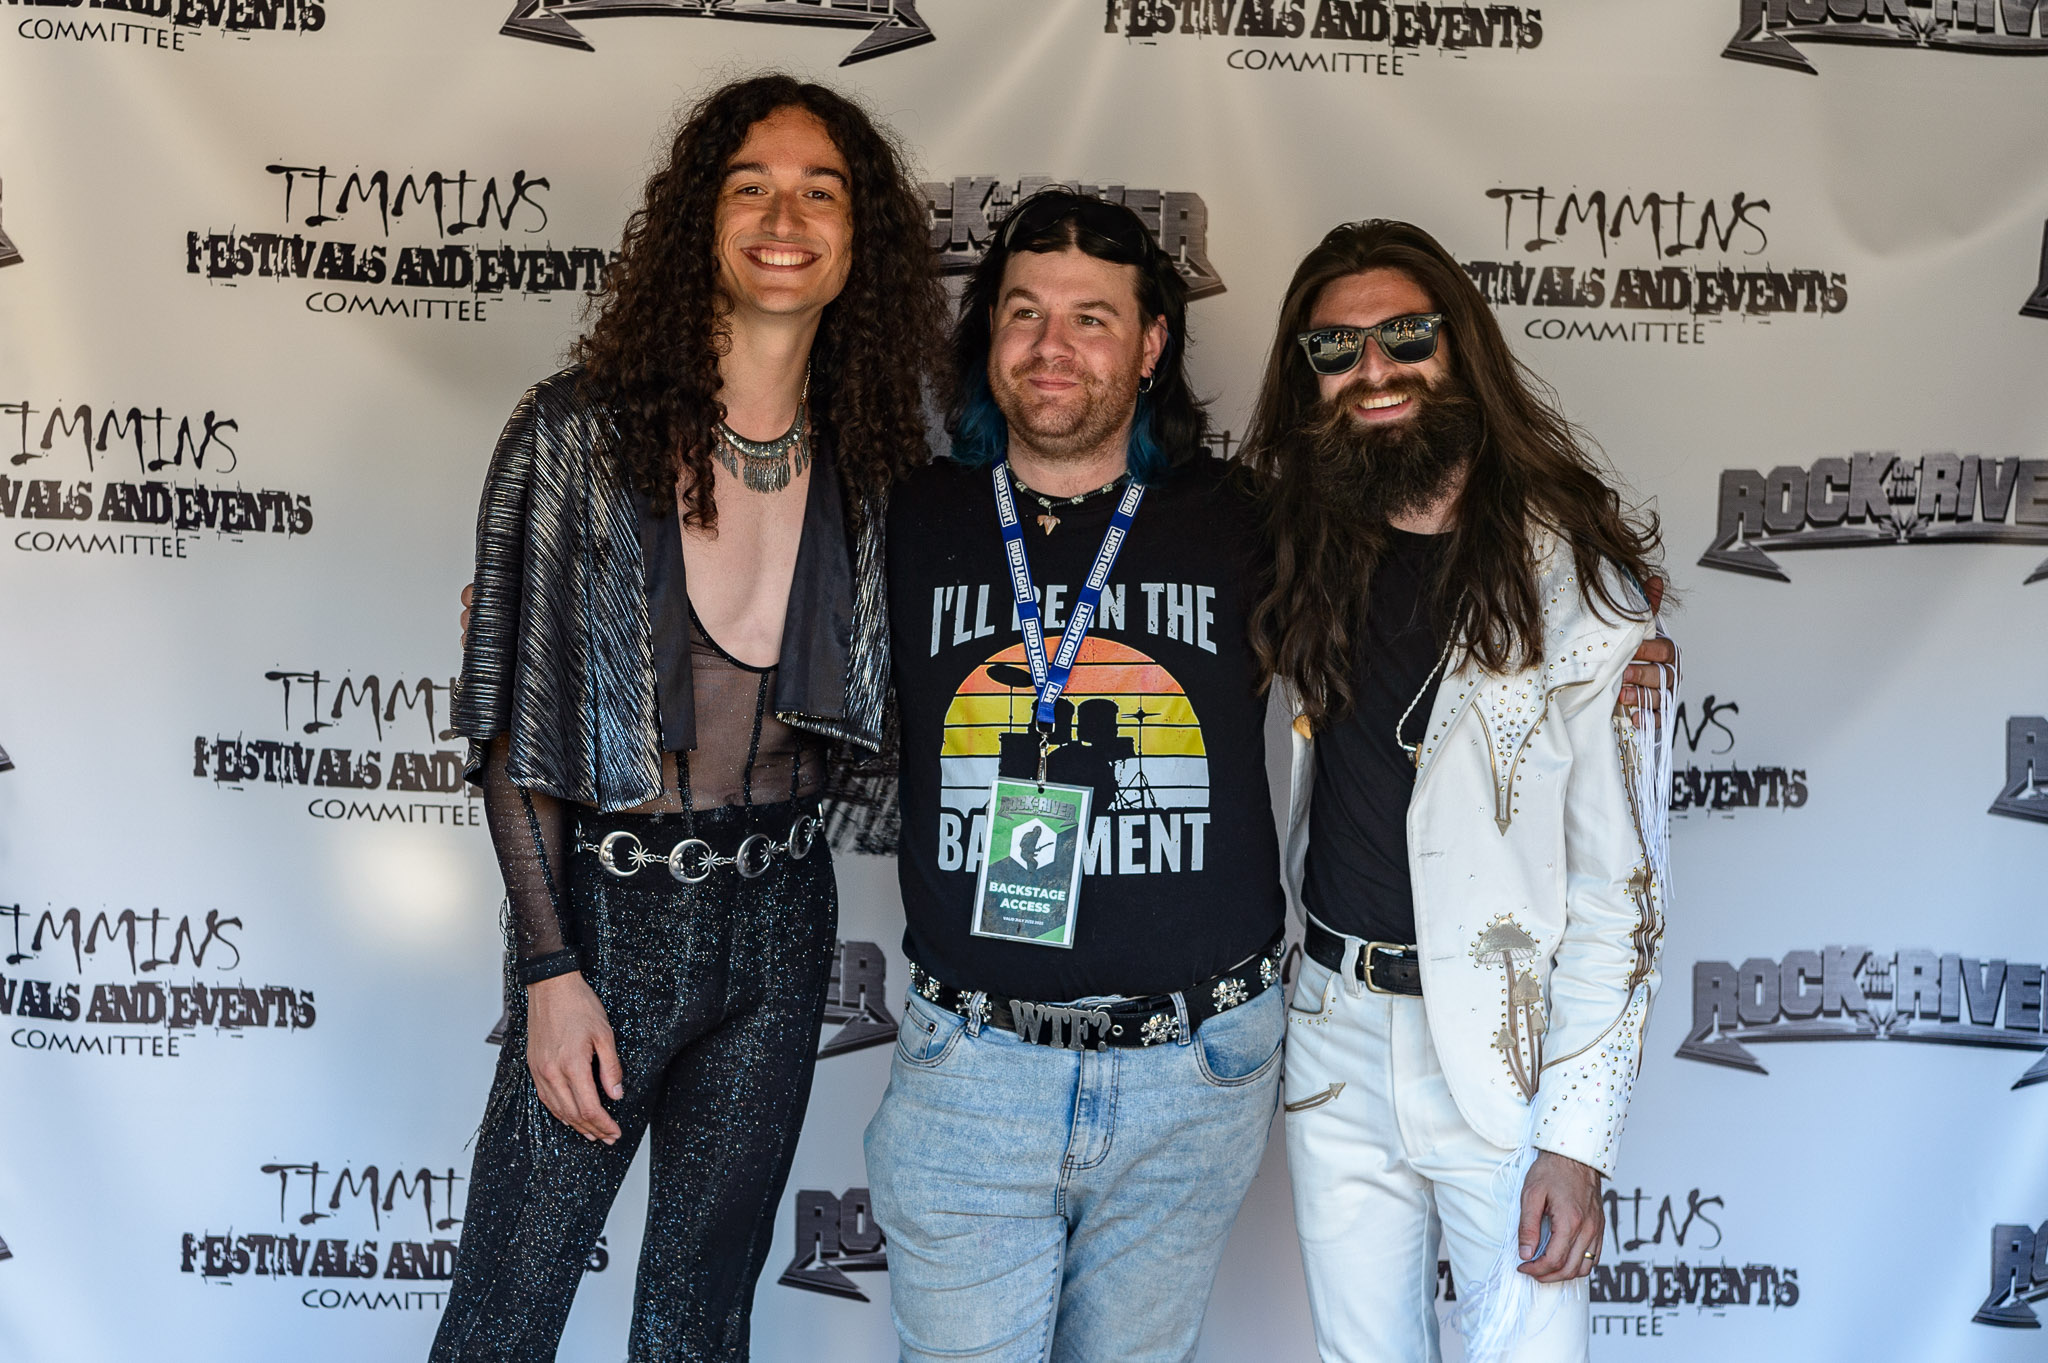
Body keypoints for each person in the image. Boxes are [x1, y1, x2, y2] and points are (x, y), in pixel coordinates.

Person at [435, 74, 943, 1361]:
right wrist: (549, 972)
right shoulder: (574, 436)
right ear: (696, 222)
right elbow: (508, 731)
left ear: (860, 241)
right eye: (749, 187)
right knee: (503, 1314)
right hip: (608, 917)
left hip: (784, 917)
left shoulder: (877, 461)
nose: (784, 219)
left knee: (700, 1319)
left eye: (820, 193)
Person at [862, 189, 1292, 1363]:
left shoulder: (1248, 519)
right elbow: (740, 622)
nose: (1051, 346)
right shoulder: (904, 518)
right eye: (1023, 313)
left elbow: (1425, 613)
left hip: (1193, 1073)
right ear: (986, 336)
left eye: (1090, 318)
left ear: (1150, 346)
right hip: (972, 1071)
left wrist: (1595, 634)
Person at [1242, 219, 1676, 1363]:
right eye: (1334, 349)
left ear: (1459, 347)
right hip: (1333, 1031)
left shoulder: (1581, 587)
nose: (1372, 369)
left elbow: (1621, 901)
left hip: (1503, 1042)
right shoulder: (1295, 547)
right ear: (1305, 378)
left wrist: (1576, 1144)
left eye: (1405, 336)